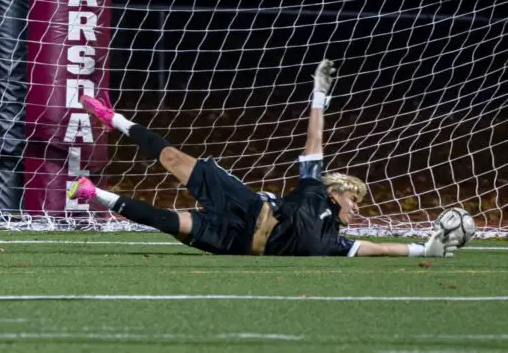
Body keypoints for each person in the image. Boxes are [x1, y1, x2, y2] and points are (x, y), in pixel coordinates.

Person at [69, 59, 458, 258]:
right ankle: (113, 118)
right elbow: (314, 143)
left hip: (233, 241)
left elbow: (378, 249)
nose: (356, 209)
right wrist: (319, 96)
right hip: (245, 203)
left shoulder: (336, 244)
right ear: (335, 192)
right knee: (172, 157)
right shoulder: (312, 192)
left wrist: (426, 250)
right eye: (353, 199)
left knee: (166, 221)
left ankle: (92, 193)